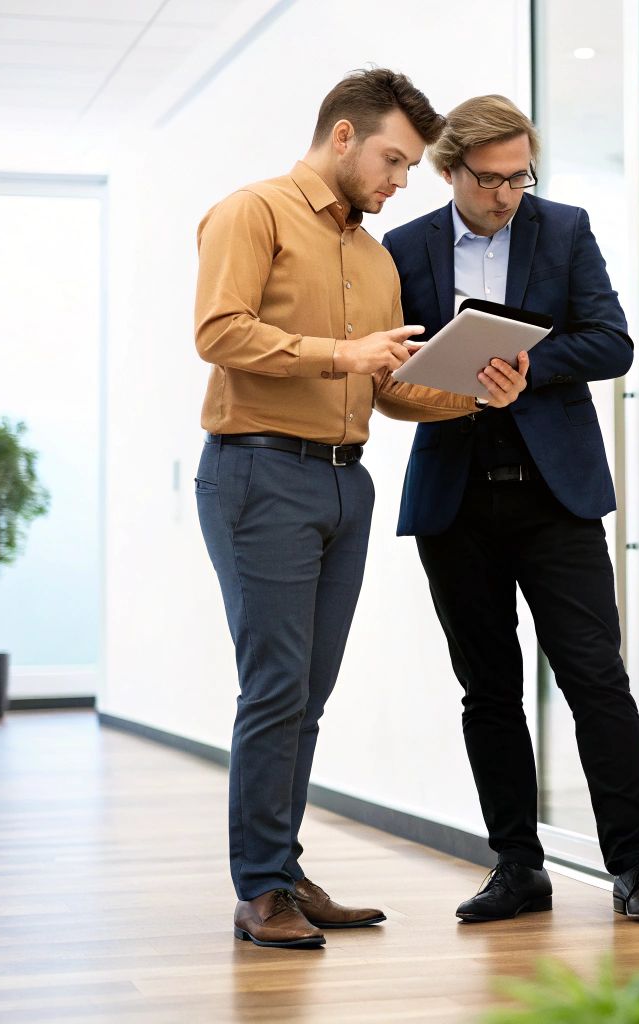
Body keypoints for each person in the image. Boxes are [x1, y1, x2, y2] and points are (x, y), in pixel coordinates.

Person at [376, 94, 639, 924]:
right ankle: (518, 867)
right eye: (490, 180)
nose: (507, 194)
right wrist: (442, 371)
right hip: (455, 496)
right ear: (451, 170)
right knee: (489, 691)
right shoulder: (401, 249)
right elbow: (389, 369)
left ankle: (637, 870)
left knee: (597, 682)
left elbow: (611, 341)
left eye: (520, 177)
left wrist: (526, 363)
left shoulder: (565, 228)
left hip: (556, 495)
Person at [193, 68, 455, 949]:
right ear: (342, 136)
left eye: (411, 167)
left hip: (348, 479)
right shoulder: (253, 212)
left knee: (308, 691)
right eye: (393, 158)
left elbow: (387, 389)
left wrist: (473, 390)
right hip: (259, 471)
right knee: (274, 686)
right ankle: (259, 887)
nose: (399, 181)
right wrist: (342, 352)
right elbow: (219, 332)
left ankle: (283, 868)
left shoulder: (374, 257)